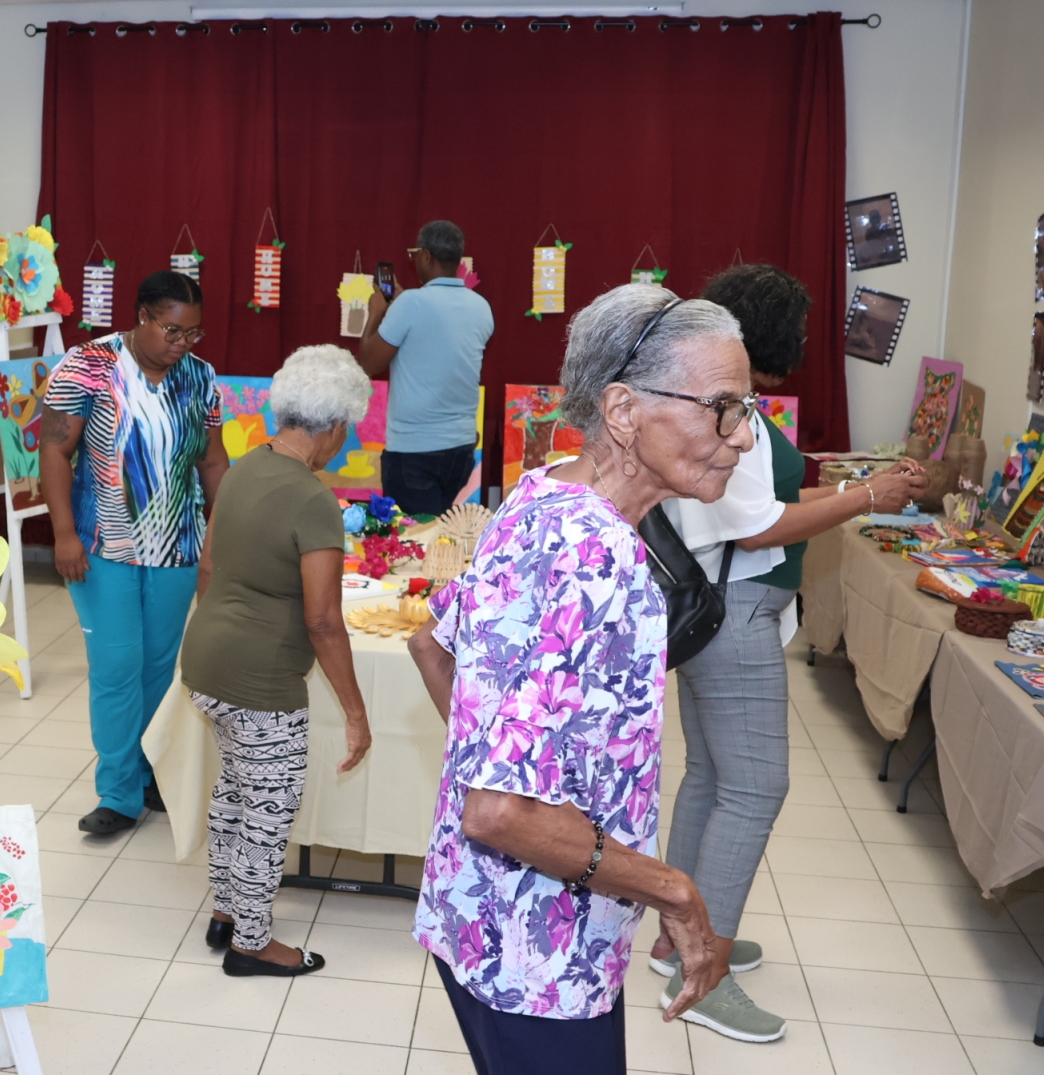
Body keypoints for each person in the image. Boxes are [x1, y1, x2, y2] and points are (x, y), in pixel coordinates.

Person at [407, 284, 751, 1073]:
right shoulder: (600, 560)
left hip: (473, 914)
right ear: (624, 409)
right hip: (541, 957)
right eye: (722, 408)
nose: (740, 436)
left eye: (746, 409)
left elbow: (432, 647)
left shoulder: (542, 492)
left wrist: (504, 770)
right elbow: (502, 810)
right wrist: (670, 887)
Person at [647, 265, 928, 1041]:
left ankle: (680, 937)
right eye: (799, 328)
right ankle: (703, 974)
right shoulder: (727, 411)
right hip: (733, 610)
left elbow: (767, 504)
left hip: (719, 607)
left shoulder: (719, 402)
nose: (805, 340)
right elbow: (758, 528)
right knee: (756, 786)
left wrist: (864, 488)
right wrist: (866, 497)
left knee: (713, 776)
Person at [178, 345, 375, 977]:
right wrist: (356, 714)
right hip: (260, 683)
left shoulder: (244, 467)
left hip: (206, 661)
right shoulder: (313, 500)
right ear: (334, 426)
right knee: (266, 813)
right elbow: (324, 621)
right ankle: (252, 944)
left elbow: (209, 568)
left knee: (235, 792)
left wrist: (224, 634)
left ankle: (227, 912)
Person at [40, 271, 230, 836]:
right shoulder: (87, 365)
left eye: (193, 333)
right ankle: (118, 793)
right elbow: (54, 451)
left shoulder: (201, 377)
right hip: (102, 547)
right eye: (172, 330)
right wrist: (64, 533)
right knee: (116, 667)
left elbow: (213, 461)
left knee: (158, 669)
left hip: (177, 547)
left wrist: (223, 534)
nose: (182, 343)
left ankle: (151, 775)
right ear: (142, 316)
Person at [358, 220, 495, 516]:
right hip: (461, 449)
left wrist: (376, 313)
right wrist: (401, 305)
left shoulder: (410, 304)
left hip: (414, 453)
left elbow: (368, 363)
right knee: (437, 532)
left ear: (426, 256)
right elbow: (438, 335)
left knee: (416, 539)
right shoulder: (481, 307)